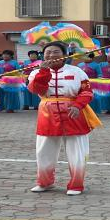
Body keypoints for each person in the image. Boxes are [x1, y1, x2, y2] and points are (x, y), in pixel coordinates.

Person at [28, 42, 99, 195]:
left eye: (56, 52)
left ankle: (76, 185)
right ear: (43, 55)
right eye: (48, 52)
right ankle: (45, 182)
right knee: (44, 151)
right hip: (47, 114)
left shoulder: (77, 72)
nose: (51, 55)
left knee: (77, 152)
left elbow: (87, 92)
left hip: (73, 114)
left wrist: (78, 106)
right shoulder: (35, 72)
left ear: (65, 55)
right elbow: (36, 89)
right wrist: (43, 72)